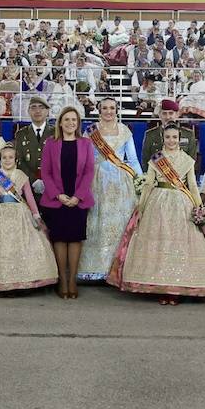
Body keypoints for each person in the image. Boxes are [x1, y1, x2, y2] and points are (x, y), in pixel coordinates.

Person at [109, 125, 205, 305]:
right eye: (168, 137)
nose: (171, 141)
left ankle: (177, 288)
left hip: (182, 204)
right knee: (159, 244)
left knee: (179, 245)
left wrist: (199, 207)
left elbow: (193, 186)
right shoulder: (156, 159)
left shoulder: (187, 160)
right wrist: (141, 207)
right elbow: (149, 184)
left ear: (179, 139)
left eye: (174, 137)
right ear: (163, 139)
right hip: (158, 203)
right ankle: (161, 287)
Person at [0, 143, 58, 293]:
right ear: (0, 160)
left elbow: (29, 198)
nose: (7, 160)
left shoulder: (22, 176)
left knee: (22, 245)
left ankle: (22, 282)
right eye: (4, 158)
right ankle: (0, 282)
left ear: (16, 160)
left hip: (20, 214)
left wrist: (35, 215)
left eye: (10, 157)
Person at [80, 98, 141, 282]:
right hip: (96, 181)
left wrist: (141, 180)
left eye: (112, 108)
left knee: (120, 224)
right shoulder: (90, 131)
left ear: (117, 110)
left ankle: (117, 269)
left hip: (122, 182)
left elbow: (132, 159)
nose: (108, 111)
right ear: (99, 110)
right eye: (105, 108)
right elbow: (84, 160)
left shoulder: (124, 131)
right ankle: (96, 269)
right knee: (97, 222)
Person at [39, 107, 96, 299]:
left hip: (78, 200)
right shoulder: (51, 143)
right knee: (60, 239)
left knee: (75, 239)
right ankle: (62, 280)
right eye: (67, 119)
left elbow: (89, 172)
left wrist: (78, 196)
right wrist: (58, 195)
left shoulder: (86, 143)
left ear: (78, 123)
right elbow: (45, 173)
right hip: (57, 200)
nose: (71, 123)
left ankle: (72, 279)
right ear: (60, 123)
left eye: (74, 120)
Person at [13, 95, 54, 191]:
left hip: (53, 187)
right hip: (28, 186)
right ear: (28, 111)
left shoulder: (56, 133)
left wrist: (47, 181)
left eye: (41, 107)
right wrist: (33, 180)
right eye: (33, 107)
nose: (37, 111)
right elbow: (20, 160)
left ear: (47, 111)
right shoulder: (21, 134)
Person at [141, 99, 198, 166]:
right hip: (157, 175)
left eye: (171, 113)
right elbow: (146, 161)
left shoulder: (188, 134)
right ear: (159, 115)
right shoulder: (150, 135)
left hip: (183, 174)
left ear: (177, 115)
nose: (167, 117)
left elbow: (192, 161)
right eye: (164, 113)